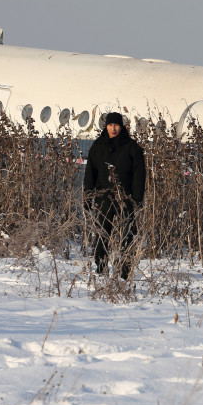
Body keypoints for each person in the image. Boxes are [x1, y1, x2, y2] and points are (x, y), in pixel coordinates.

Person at [83, 112, 146, 280]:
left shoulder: (132, 147)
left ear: (121, 126)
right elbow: (90, 173)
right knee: (102, 234)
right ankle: (101, 269)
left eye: (116, 125)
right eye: (110, 125)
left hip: (126, 198)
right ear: (106, 126)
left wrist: (137, 199)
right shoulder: (98, 145)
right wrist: (88, 197)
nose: (113, 128)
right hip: (104, 197)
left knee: (128, 234)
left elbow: (139, 175)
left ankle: (125, 271)